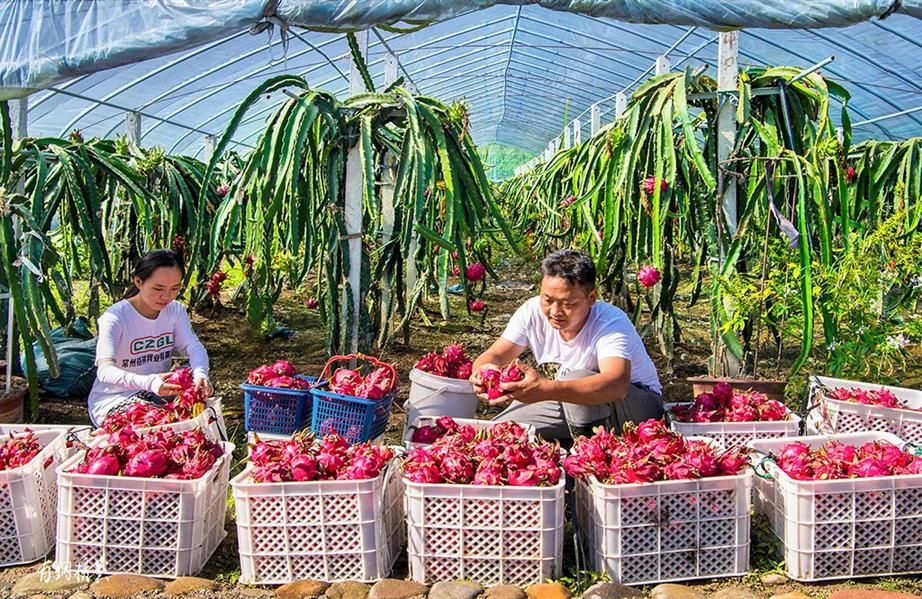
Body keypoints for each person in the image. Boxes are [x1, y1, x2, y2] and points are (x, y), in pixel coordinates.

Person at [470, 249, 663, 442]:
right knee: (498, 434)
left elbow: (617, 384)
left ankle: (590, 456)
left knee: (579, 376)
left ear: (592, 297)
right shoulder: (531, 311)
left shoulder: (610, 322)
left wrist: (546, 389)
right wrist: (483, 372)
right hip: (567, 399)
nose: (555, 311)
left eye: (568, 303)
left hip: (635, 405)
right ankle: (574, 440)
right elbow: (495, 354)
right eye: (547, 300)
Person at [87, 249, 212, 426]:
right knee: (156, 423)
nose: (166, 296)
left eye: (174, 289)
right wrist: (148, 382)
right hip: (115, 399)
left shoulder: (175, 310)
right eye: (158, 288)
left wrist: (201, 373)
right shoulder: (115, 318)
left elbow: (194, 347)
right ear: (138, 281)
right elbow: (105, 370)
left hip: (159, 393)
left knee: (198, 381)